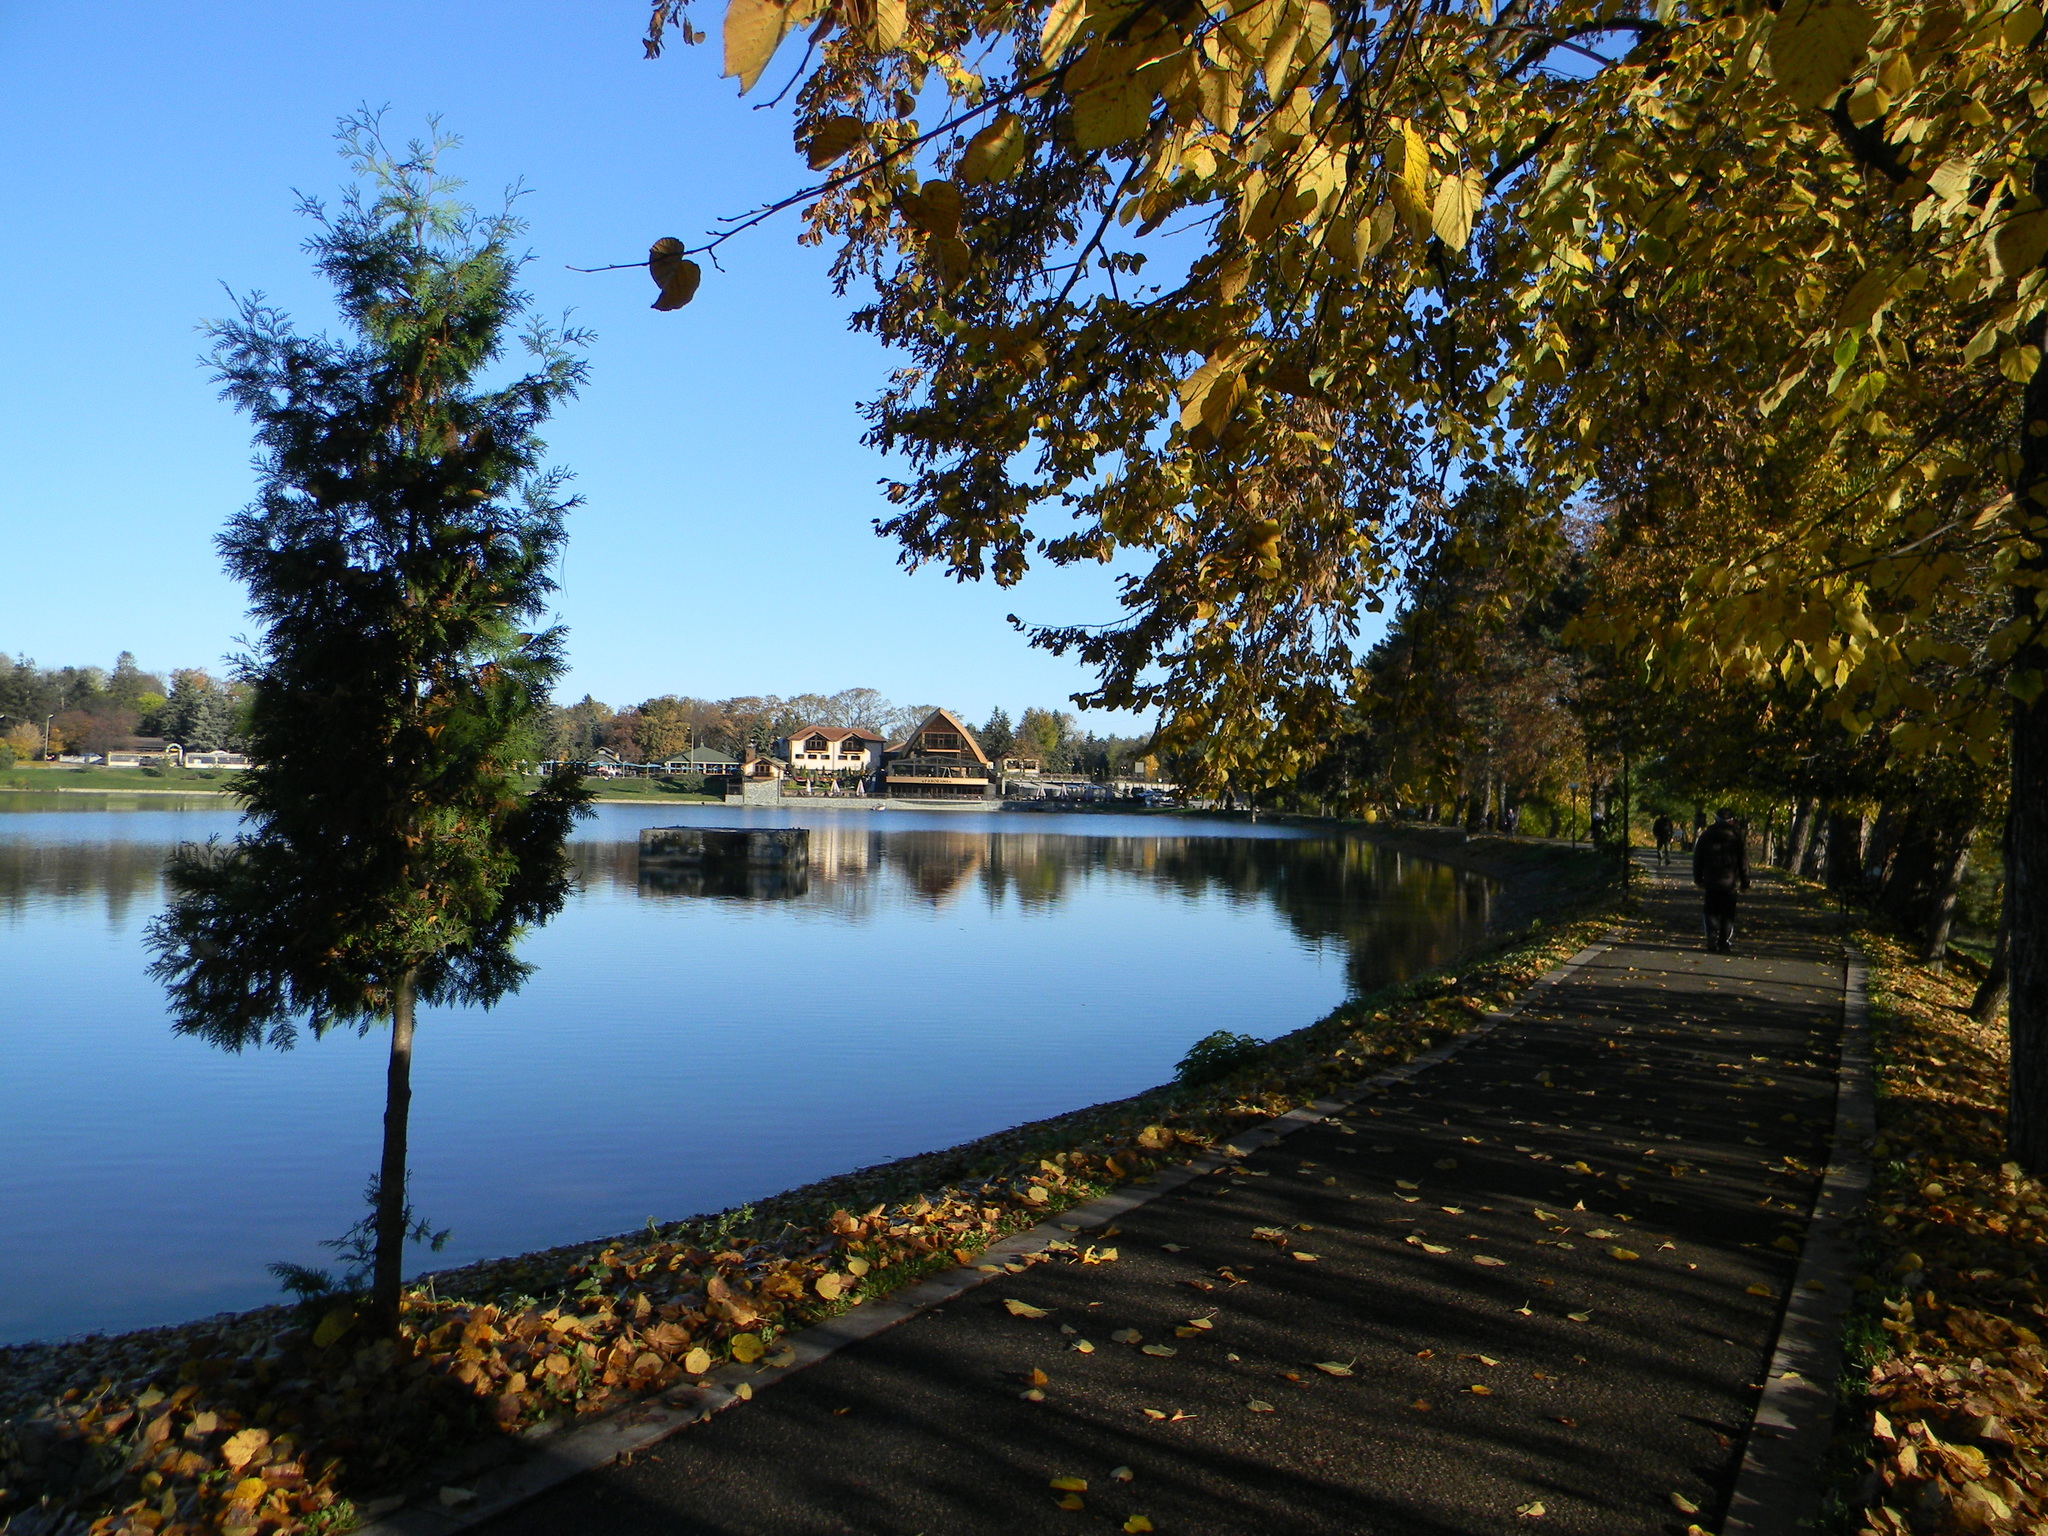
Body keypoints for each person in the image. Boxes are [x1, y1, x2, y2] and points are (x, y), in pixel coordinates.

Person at [1693, 808, 1750, 953]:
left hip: (1711, 880)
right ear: (1731, 820)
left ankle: (1711, 934)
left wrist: (1698, 879)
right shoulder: (1735, 837)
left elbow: (1698, 859)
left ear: (1715, 819)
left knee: (1710, 910)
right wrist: (1745, 882)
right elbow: (1743, 862)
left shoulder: (1706, 835)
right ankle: (1724, 941)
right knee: (1728, 913)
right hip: (1729, 882)